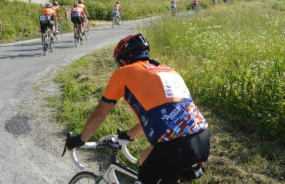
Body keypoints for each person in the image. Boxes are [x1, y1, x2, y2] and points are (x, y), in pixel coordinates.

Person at [65, 34, 210, 184]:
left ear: (123, 60)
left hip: (174, 145)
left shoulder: (123, 73)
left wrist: (80, 139)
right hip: (202, 138)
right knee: (144, 157)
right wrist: (128, 135)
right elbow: (161, 117)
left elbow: (99, 114)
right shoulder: (168, 71)